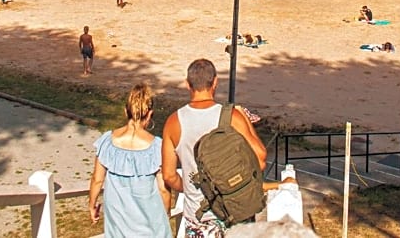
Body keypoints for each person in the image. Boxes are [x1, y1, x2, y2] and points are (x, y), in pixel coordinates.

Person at [161, 59, 267, 237]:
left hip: (198, 219)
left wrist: (189, 187)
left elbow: (169, 176)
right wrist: (246, 120)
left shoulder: (173, 122)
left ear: (188, 84)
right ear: (215, 82)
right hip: (236, 212)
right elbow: (260, 160)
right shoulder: (232, 116)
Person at [89, 83, 171, 237]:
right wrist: (166, 213)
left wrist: (92, 204)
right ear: (150, 114)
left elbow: (97, 180)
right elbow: (163, 189)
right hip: (150, 227)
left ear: (125, 110)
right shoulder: (157, 148)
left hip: (118, 227)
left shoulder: (107, 142)